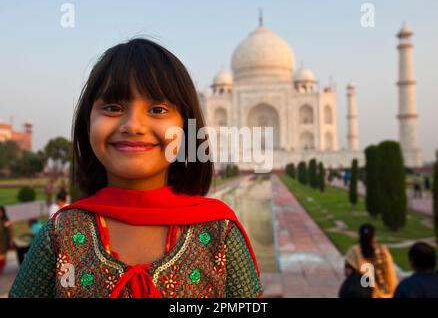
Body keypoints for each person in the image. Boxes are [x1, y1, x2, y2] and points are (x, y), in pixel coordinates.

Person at [9, 38, 263, 298]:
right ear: (87, 123)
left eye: (157, 109)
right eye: (113, 107)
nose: (133, 125)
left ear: (186, 129)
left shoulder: (218, 233)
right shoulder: (62, 233)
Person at [343, 223, 398, 298]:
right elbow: (390, 274)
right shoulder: (383, 251)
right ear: (373, 237)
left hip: (363, 294)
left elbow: (348, 274)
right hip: (384, 294)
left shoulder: (353, 251)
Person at [0, 206, 14, 274]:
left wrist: (11, 241)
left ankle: (1, 269)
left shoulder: (6, 221)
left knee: (2, 256)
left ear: (3, 212)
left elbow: (10, 231)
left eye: (0, 212)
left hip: (3, 242)